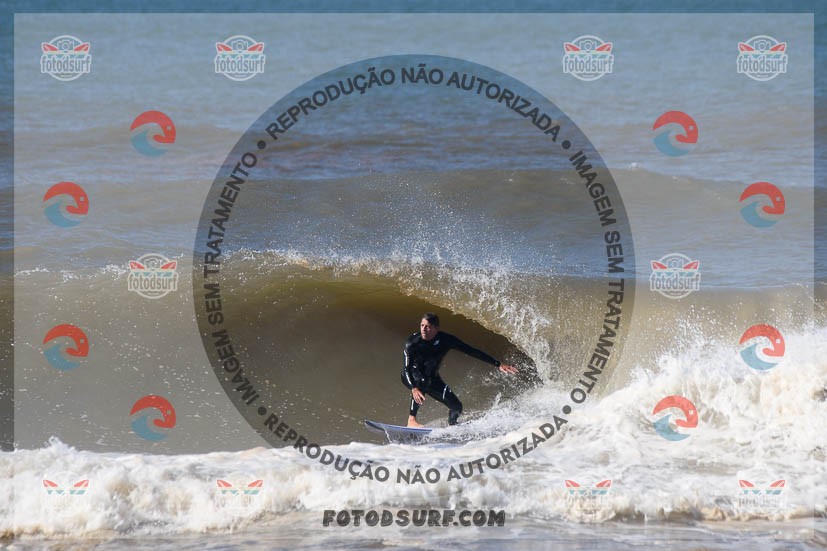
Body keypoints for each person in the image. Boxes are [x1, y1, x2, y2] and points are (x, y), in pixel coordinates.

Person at [401, 312, 518, 427]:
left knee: (456, 407)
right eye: (422, 325)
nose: (423, 329)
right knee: (423, 381)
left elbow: (471, 351)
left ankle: (452, 425)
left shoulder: (446, 340)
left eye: (428, 327)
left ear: (436, 328)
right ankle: (411, 420)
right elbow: (406, 369)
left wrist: (498, 364)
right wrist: (414, 388)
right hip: (412, 376)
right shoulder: (413, 343)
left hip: (432, 377)